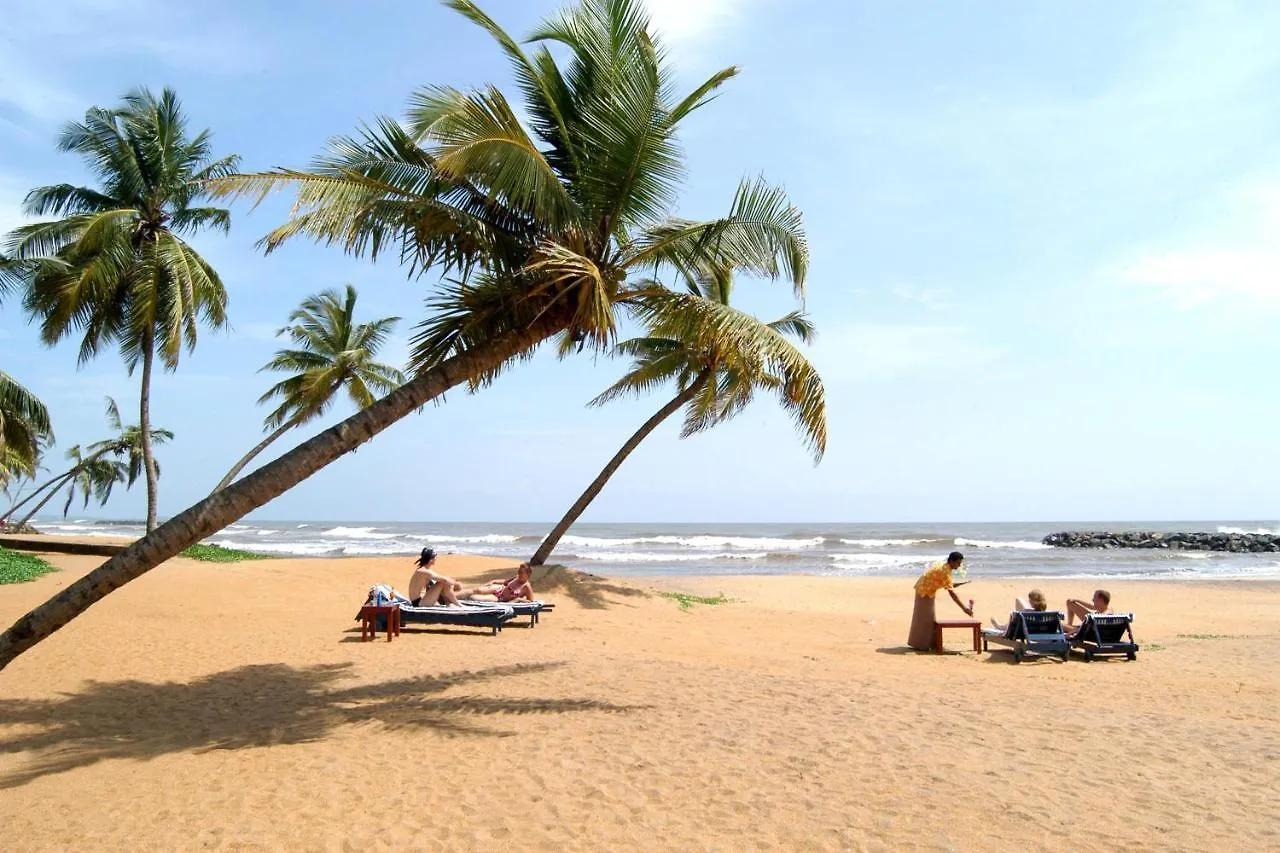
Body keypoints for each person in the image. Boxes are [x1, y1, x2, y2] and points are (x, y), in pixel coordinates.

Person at [907, 551, 973, 651]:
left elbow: (945, 583)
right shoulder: (945, 572)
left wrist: (957, 584)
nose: (959, 566)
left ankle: (930, 644)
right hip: (924, 591)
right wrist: (964, 609)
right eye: (958, 563)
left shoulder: (945, 567)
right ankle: (921, 645)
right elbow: (952, 594)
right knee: (925, 619)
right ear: (951, 561)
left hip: (926, 590)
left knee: (928, 618)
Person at [460, 563, 535, 602]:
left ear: (528, 574)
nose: (519, 573)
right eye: (518, 571)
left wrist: (519, 599)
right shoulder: (516, 577)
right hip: (499, 588)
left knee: (474, 598)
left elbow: (531, 601)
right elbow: (505, 582)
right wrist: (494, 581)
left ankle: (456, 598)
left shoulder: (527, 587)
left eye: (521, 572)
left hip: (500, 598)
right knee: (477, 590)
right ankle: (455, 594)